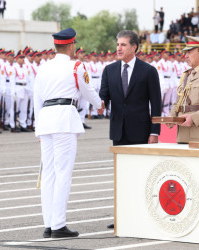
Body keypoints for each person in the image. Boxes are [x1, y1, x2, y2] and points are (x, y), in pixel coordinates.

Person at [33, 28, 103, 238]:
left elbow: (36, 98)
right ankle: (58, 225)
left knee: (49, 175)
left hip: (45, 119)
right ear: (72, 46)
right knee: (63, 173)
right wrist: (100, 104)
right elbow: (87, 90)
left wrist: (38, 127)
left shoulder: (43, 67)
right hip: (64, 119)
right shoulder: (76, 65)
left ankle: (49, 224)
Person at [99, 30, 162, 228]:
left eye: (123, 44)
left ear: (134, 47)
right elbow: (104, 97)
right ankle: (121, 216)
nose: (118, 48)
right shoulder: (108, 70)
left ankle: (142, 215)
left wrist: (154, 131)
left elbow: (156, 104)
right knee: (121, 176)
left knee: (142, 175)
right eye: (118, 44)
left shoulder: (148, 71)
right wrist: (96, 101)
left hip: (141, 132)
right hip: (118, 131)